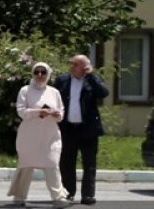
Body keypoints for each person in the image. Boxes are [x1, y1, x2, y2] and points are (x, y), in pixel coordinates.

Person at [7, 62, 69, 208]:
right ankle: (19, 196)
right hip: (29, 135)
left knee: (52, 164)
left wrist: (55, 114)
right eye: (37, 72)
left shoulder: (54, 92)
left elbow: (61, 114)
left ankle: (58, 197)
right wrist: (38, 112)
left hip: (50, 135)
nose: (40, 75)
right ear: (32, 74)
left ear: (48, 74)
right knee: (26, 165)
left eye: (43, 72)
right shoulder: (25, 90)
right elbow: (21, 111)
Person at [55, 54, 108, 205]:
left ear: (85, 67)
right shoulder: (62, 80)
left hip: (88, 129)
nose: (72, 66)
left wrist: (90, 75)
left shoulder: (91, 81)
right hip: (68, 128)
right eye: (71, 63)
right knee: (66, 163)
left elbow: (104, 93)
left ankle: (88, 195)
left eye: (75, 64)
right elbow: (53, 97)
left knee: (89, 163)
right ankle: (68, 193)